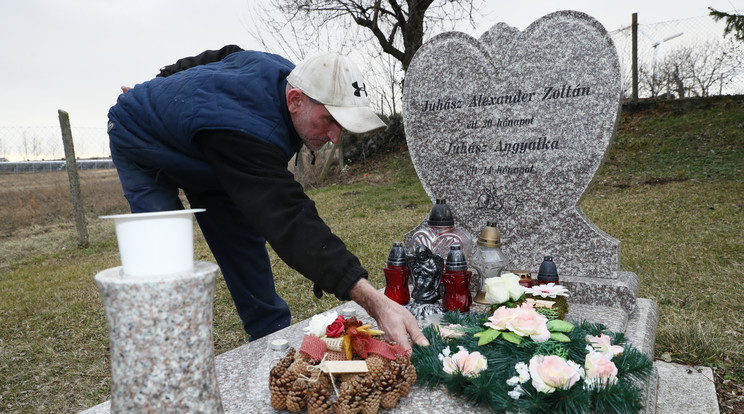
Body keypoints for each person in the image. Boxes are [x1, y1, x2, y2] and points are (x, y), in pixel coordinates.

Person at [107, 46, 428, 351]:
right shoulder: (246, 130)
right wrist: (375, 300)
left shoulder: (279, 73)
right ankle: (170, 356)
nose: (334, 137)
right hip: (142, 139)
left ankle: (269, 337)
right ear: (295, 100)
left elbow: (224, 54)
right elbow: (290, 220)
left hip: (211, 148)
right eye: (330, 120)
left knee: (243, 246)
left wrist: (166, 77)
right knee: (165, 260)